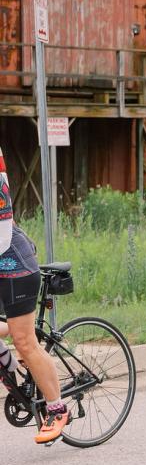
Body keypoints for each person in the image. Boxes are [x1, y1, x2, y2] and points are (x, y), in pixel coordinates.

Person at [0, 149, 68, 443]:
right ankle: (15, 371)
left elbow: (2, 233)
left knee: (24, 341)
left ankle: (57, 408)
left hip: (15, 264)